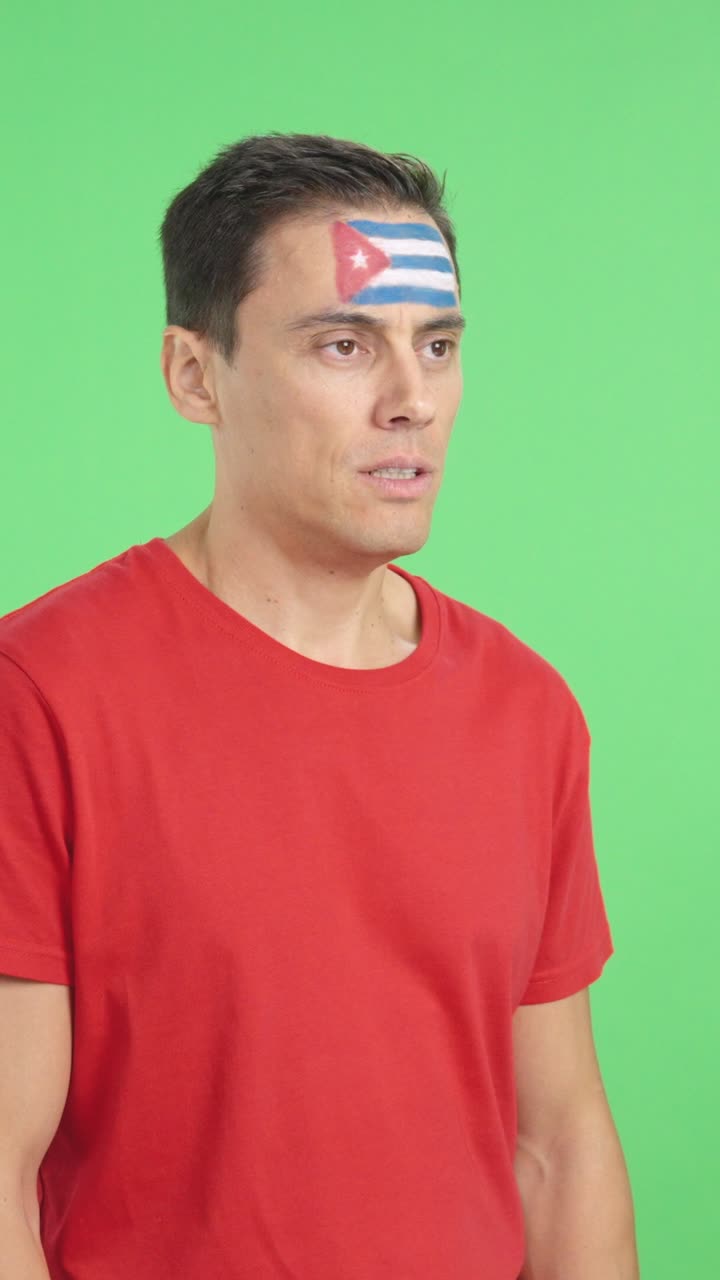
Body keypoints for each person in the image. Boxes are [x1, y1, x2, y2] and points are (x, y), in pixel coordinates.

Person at [0, 132, 639, 1279]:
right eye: (345, 344)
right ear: (196, 375)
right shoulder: (41, 694)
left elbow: (559, 1144)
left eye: (437, 345)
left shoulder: (526, 710)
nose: (412, 400)